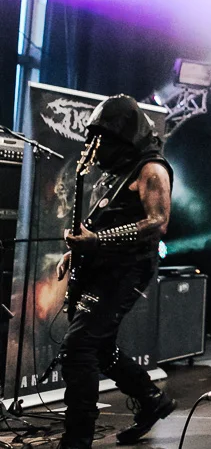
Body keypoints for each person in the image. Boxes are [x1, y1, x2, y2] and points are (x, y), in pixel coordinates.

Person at [56, 95, 176, 448]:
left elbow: (158, 222)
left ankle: (77, 439)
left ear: (123, 137)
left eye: (103, 138)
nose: (96, 146)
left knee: (79, 345)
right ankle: (151, 399)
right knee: (100, 347)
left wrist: (98, 240)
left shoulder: (151, 169)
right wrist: (74, 252)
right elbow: (105, 220)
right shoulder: (116, 175)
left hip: (128, 269)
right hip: (104, 267)